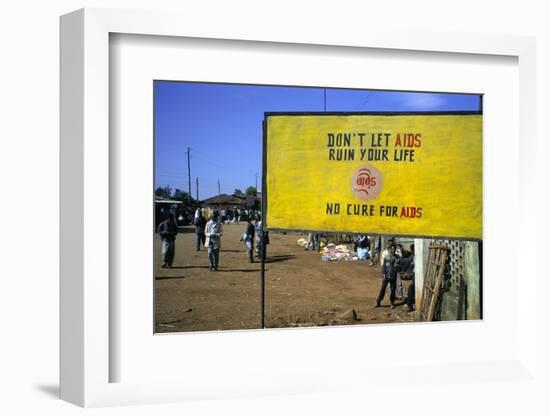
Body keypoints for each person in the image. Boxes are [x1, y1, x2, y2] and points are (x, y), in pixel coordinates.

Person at [375, 244, 399, 308]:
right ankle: (378, 301)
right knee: (383, 289)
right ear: (389, 249)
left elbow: (399, 266)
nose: (393, 250)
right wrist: (383, 274)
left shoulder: (397, 258)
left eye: (394, 249)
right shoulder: (386, 257)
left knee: (393, 290)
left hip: (393, 276)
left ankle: (392, 303)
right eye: (392, 249)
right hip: (386, 276)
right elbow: (384, 267)